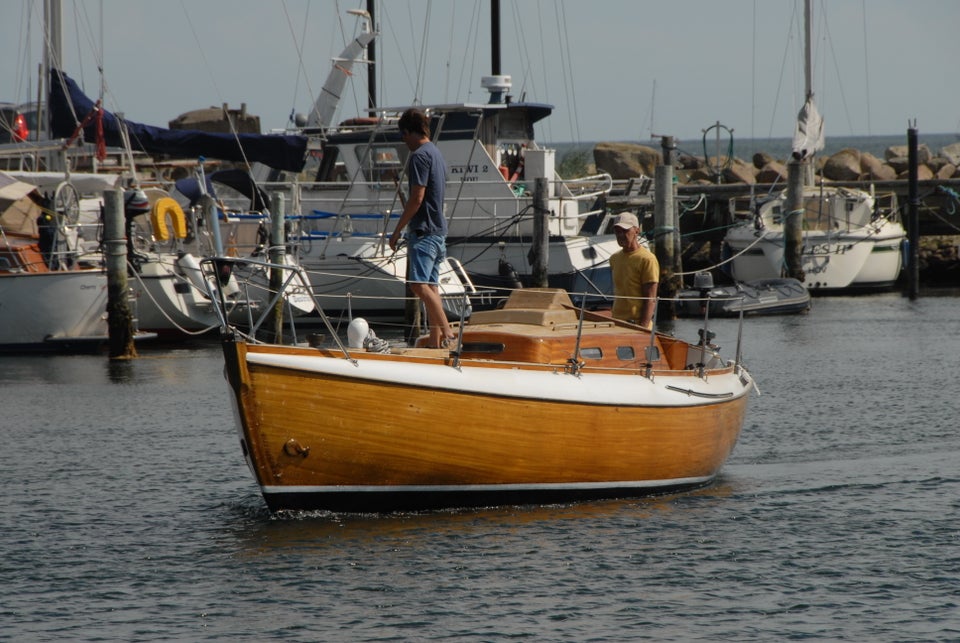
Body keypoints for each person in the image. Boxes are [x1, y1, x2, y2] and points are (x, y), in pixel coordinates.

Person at [388, 108, 455, 348]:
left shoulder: (418, 156)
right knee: (431, 288)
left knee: (418, 285)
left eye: (403, 135)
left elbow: (417, 198)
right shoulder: (436, 153)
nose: (403, 141)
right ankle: (435, 344)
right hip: (439, 231)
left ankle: (448, 333)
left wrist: (397, 231)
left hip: (424, 232)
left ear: (409, 131)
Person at [609, 212, 659, 329]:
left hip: (636, 324)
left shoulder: (647, 259)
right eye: (617, 231)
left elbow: (650, 299)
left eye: (625, 231)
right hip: (616, 322)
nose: (620, 235)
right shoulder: (614, 259)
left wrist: (642, 328)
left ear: (637, 231)